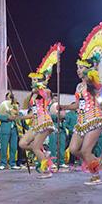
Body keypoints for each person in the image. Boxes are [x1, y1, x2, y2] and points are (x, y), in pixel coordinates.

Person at [59, 22, 102, 185]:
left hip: (95, 119)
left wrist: (94, 68)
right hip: (81, 121)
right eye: (77, 68)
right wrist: (65, 107)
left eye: (81, 68)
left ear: (88, 70)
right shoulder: (78, 86)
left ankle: (95, 175)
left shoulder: (93, 82)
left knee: (85, 150)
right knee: (74, 149)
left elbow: (98, 88)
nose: (78, 70)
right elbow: (77, 104)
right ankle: (94, 162)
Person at [19, 43, 65, 179]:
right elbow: (32, 113)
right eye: (32, 80)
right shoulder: (32, 96)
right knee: (22, 144)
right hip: (35, 123)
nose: (32, 82)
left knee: (34, 147)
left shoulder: (45, 91)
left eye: (35, 80)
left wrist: (40, 87)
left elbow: (48, 94)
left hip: (44, 122)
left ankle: (47, 170)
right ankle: (44, 153)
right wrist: (16, 118)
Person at [0, 92, 21, 170]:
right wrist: (7, 118)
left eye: (11, 97)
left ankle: (12, 163)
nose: (10, 99)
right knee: (4, 146)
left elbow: (18, 116)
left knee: (13, 147)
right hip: (5, 128)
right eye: (9, 97)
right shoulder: (2, 106)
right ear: (6, 98)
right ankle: (3, 163)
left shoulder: (15, 106)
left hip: (14, 128)